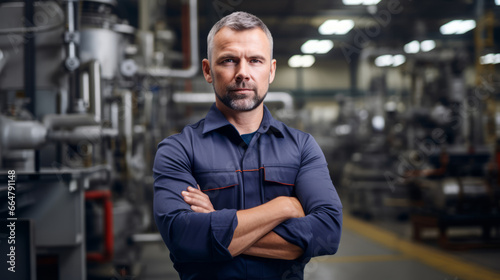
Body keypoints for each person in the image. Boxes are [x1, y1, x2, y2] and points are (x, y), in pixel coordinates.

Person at [153, 11, 342, 280]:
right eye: (229, 60)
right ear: (207, 70)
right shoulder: (178, 150)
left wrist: (216, 224)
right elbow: (183, 237)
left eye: (255, 60)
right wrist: (284, 207)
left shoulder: (302, 147)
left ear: (271, 70)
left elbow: (328, 233)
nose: (243, 73)